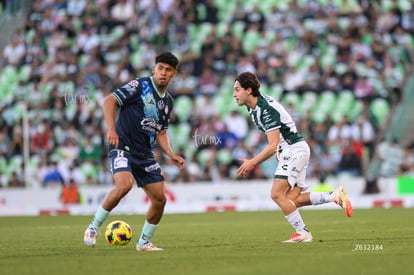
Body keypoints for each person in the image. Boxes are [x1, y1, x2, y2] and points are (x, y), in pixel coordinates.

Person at [232, 72, 352, 243]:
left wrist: (252, 162)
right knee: (292, 200)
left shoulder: (266, 110)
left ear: (249, 90)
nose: (234, 94)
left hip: (294, 150)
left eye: (237, 90)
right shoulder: (253, 108)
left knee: (276, 194)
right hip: (293, 150)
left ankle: (302, 233)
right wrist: (279, 151)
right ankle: (334, 196)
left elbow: (272, 144)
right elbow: (277, 141)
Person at [83, 52, 185, 251]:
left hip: (145, 154)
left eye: (168, 70)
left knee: (159, 199)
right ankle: (92, 228)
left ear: (174, 74)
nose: (163, 73)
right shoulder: (140, 86)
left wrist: (171, 154)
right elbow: (109, 101)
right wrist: (111, 128)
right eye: (160, 68)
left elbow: (161, 132)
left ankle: (143, 242)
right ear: (154, 69)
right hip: (122, 146)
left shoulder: (168, 102)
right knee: (124, 185)